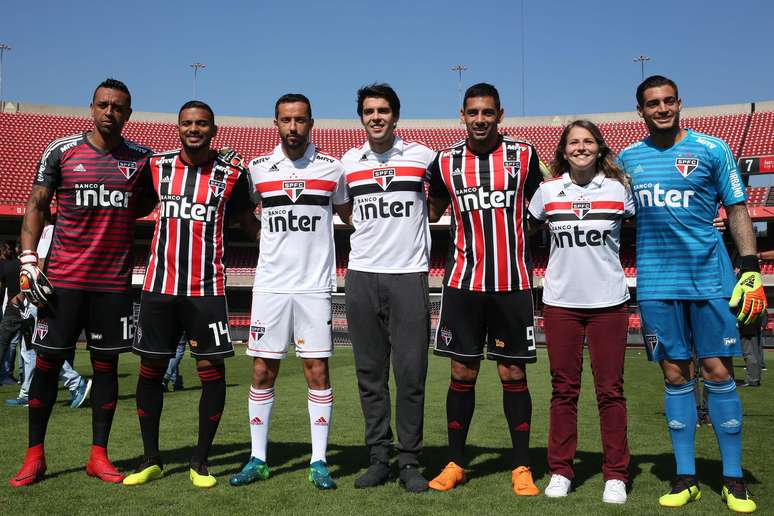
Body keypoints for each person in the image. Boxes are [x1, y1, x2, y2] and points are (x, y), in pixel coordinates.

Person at [618, 75, 766, 513]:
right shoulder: (629, 159)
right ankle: (686, 478)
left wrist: (751, 266)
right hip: (657, 285)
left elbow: (737, 209)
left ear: (680, 103)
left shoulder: (712, 148)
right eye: (651, 103)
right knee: (675, 376)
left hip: (709, 279)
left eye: (667, 101)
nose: (661, 109)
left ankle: (734, 479)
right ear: (640, 111)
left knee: (719, 372)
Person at [10, 78, 155, 487]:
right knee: (47, 365)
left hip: (112, 284)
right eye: (103, 105)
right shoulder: (61, 150)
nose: (110, 112)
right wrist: (28, 259)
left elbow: (151, 198)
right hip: (63, 282)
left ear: (128, 114)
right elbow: (37, 204)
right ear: (91, 107)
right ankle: (34, 455)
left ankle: (98, 456)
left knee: (106, 366)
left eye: (118, 107)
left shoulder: (141, 159)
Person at [122, 101, 258, 489]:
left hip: (206, 290)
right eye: (187, 123)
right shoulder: (157, 166)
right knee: (150, 373)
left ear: (213, 129)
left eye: (201, 124)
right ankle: (152, 459)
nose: (193, 129)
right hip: (158, 289)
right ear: (177, 128)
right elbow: (129, 207)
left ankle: (200, 462)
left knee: (211, 375)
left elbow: (249, 223)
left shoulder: (232, 173)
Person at [425, 83, 543, 496]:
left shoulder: (524, 156)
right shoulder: (444, 162)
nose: (480, 119)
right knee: (462, 372)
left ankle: (522, 465)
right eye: (473, 112)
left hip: (512, 283)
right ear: (462, 114)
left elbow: (542, 209)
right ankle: (456, 462)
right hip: (463, 283)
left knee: (512, 371)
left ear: (500, 115)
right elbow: (432, 208)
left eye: (487, 112)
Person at [230, 94, 351, 490]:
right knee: (263, 370)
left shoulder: (333, 169)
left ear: (311, 123)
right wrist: (263, 237)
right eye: (286, 120)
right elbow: (245, 215)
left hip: (315, 286)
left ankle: (318, 461)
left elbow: (349, 216)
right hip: (270, 286)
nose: (293, 127)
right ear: (276, 123)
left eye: (300, 120)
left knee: (316, 370)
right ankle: (257, 458)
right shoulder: (258, 169)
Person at [528, 120, 633, 503]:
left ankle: (616, 474)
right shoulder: (547, 192)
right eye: (574, 142)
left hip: (609, 303)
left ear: (600, 147)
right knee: (563, 391)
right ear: (564, 149)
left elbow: (641, 227)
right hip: (561, 304)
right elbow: (526, 231)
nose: (582, 147)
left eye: (588, 141)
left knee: (611, 391)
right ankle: (560, 469)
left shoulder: (619, 190)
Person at [340, 84, 437, 492]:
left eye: (383, 110)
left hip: (409, 275)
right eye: (368, 111)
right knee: (369, 374)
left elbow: (443, 199)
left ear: (396, 116)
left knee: (411, 372)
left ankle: (410, 460)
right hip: (361, 275)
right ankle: (379, 457)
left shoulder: (423, 157)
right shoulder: (347, 163)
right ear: (361, 117)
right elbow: (345, 210)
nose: (376, 117)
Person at [5, 227, 92, 409]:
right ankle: (27, 393)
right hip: (39, 297)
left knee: (41, 349)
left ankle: (76, 383)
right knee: (28, 351)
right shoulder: (47, 230)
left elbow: (42, 264)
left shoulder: (51, 230)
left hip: (42, 298)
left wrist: (24, 294)